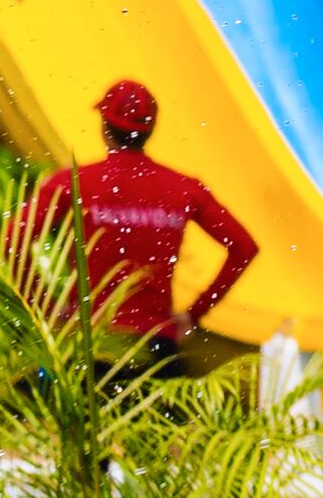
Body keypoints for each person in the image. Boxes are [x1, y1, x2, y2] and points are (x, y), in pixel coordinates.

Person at [18, 79, 259, 360]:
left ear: (105, 128)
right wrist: (194, 314)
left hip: (90, 339)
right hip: (156, 344)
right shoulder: (184, 189)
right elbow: (244, 248)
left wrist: (44, 304)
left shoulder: (73, 183)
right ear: (150, 130)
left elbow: (12, 241)